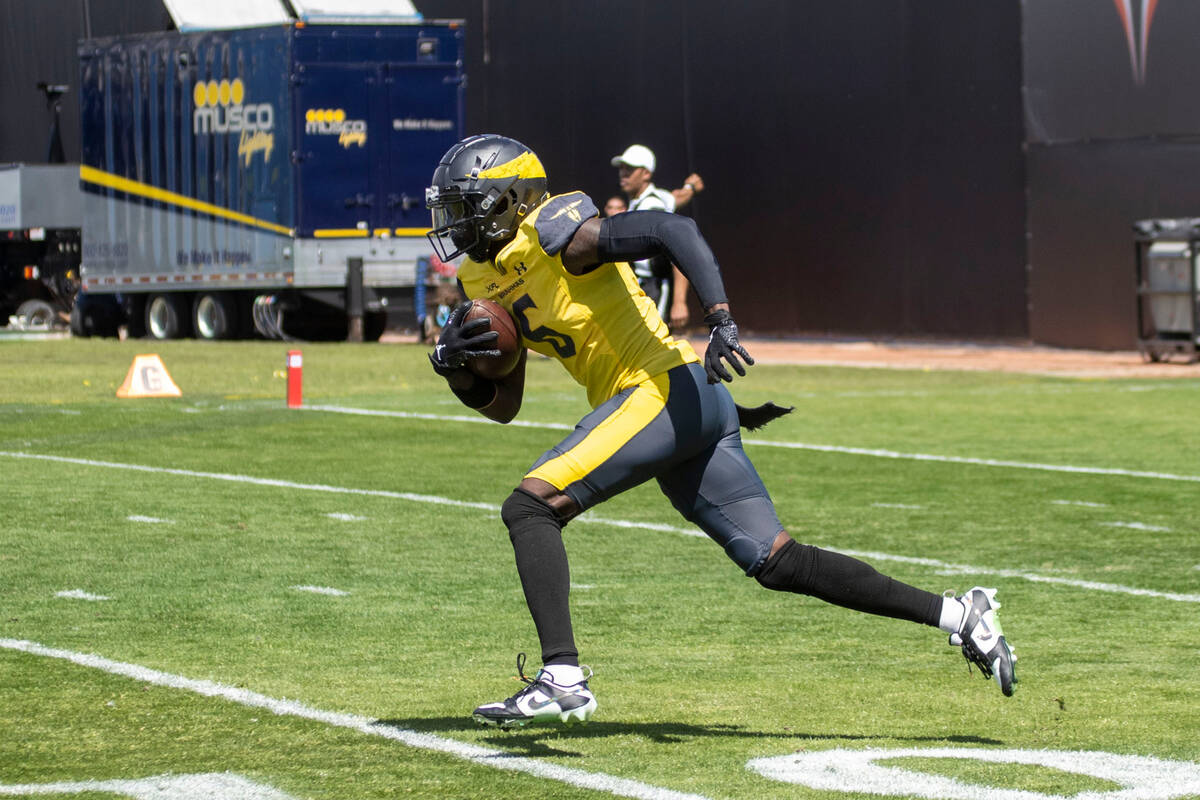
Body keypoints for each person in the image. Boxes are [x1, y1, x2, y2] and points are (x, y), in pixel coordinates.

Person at [425, 134, 1017, 730]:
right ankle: (961, 615)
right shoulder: (482, 280)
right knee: (779, 563)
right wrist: (456, 372)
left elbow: (671, 231)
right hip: (679, 408)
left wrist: (721, 320)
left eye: (464, 205)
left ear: (509, 200)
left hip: (661, 389)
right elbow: (505, 406)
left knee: (531, 508)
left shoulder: (556, 232)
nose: (455, 221)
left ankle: (563, 676)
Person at [612, 144, 704, 331]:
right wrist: (691, 188)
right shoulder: (654, 198)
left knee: (651, 350)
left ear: (646, 174)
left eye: (629, 169)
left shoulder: (651, 206)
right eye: (621, 168)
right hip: (641, 288)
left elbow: (679, 253)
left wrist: (679, 302)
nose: (623, 173)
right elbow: (677, 197)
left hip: (653, 289)